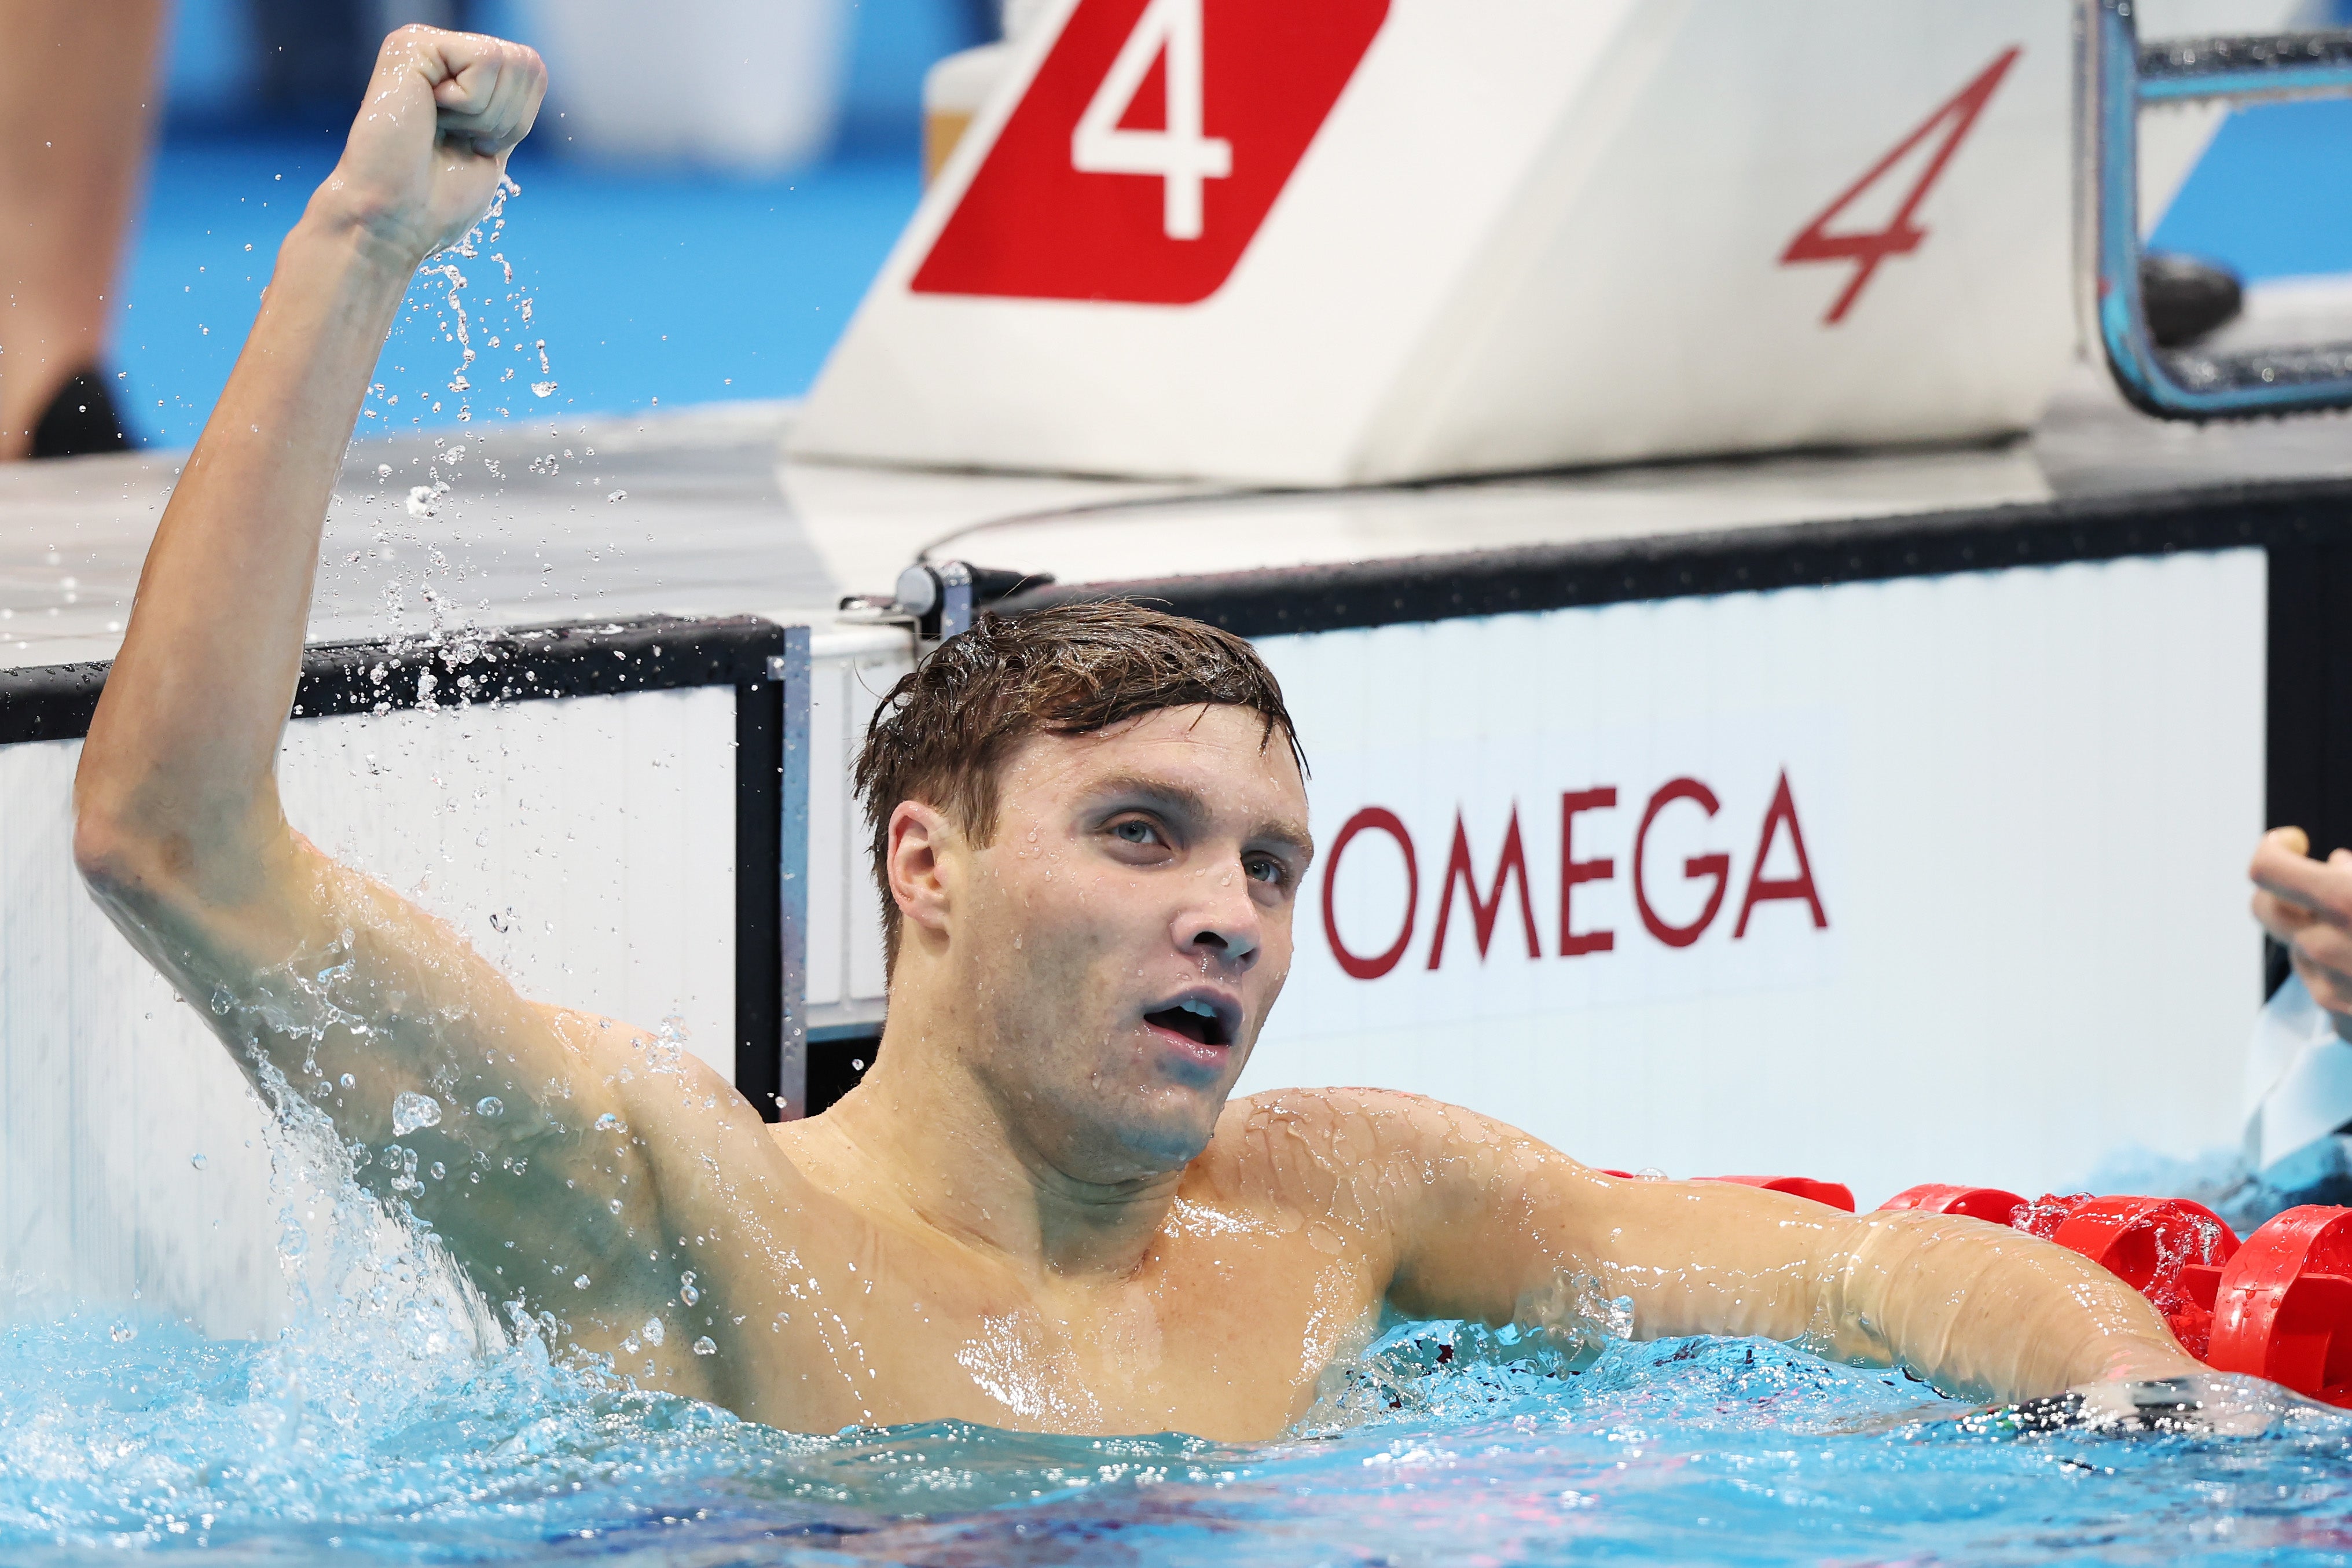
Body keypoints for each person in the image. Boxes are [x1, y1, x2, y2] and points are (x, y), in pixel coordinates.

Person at [73, 25, 2214, 1442]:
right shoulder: (678, 1210)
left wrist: (2131, 1395)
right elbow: (168, 836)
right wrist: (355, 252)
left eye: (1268, 869)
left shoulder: (1340, 1211)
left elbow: (1847, 1270)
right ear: (925, 863)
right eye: (1142, 835)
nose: (1231, 919)